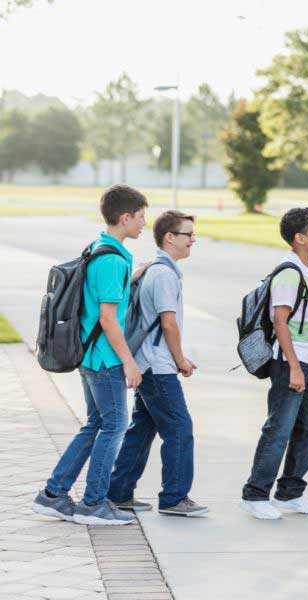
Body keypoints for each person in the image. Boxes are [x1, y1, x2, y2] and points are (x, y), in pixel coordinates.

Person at [32, 184, 147, 526]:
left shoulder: (98, 248)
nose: (144, 223)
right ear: (125, 217)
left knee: (97, 424)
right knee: (115, 425)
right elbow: (109, 319)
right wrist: (129, 361)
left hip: (88, 354)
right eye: (141, 217)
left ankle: (53, 494)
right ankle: (93, 503)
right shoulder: (112, 261)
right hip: (105, 359)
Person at [107, 211, 208, 517]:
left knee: (142, 429)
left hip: (148, 363)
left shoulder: (156, 268)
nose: (193, 240)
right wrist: (180, 360)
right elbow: (168, 324)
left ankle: (119, 492)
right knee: (179, 429)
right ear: (169, 237)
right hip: (158, 367)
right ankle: (174, 498)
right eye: (188, 234)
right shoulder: (164, 274)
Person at [240, 208, 308, 520]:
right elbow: (280, 322)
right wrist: (293, 366)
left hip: (307, 360)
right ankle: (255, 494)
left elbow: (305, 325)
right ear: (299, 238)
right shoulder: (289, 272)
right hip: (288, 362)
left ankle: (290, 494)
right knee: (279, 429)